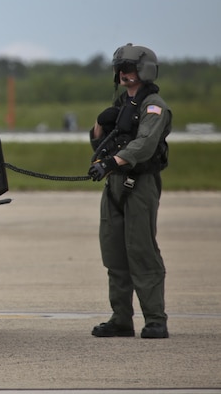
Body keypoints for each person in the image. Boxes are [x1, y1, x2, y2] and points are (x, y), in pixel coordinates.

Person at [88, 43, 171, 339]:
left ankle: (155, 319)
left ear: (144, 70)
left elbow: (145, 144)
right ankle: (121, 318)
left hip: (139, 184)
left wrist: (110, 162)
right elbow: (102, 140)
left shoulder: (154, 106)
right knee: (114, 253)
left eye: (130, 68)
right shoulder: (122, 106)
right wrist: (99, 125)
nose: (124, 73)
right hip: (113, 184)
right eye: (120, 68)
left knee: (142, 252)